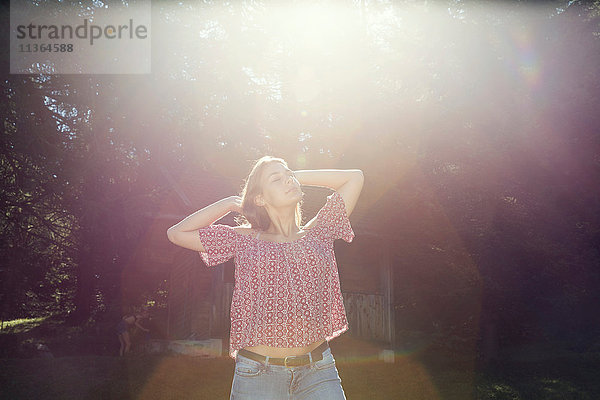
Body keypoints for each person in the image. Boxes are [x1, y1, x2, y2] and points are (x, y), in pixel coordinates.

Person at [167, 156, 364, 399]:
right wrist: (230, 203)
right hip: (258, 375)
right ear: (259, 198)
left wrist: (293, 175)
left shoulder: (320, 232)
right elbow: (177, 233)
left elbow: (355, 177)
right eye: (276, 179)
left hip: (318, 370)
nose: (288, 181)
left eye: (288, 176)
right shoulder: (244, 239)